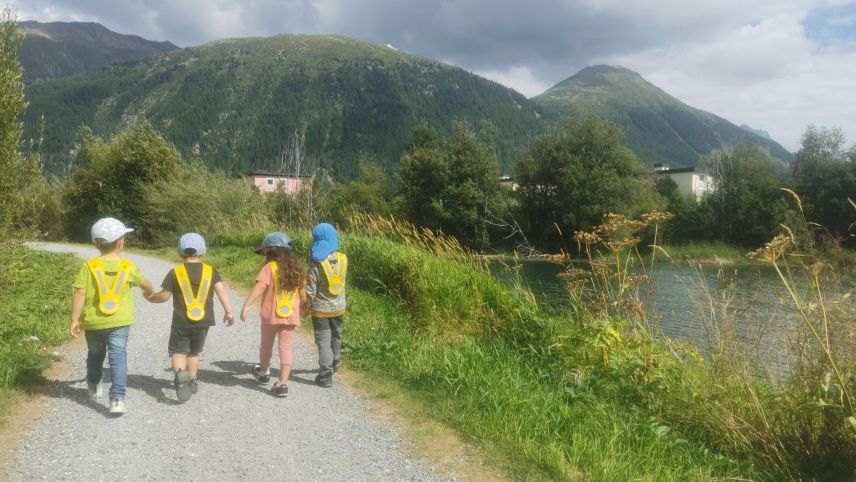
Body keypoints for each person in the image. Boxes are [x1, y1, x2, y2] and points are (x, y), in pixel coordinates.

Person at [70, 217, 154, 415]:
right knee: (118, 358)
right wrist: (150, 293)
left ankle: (93, 383)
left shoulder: (88, 267)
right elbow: (145, 283)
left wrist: (75, 319)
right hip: (120, 323)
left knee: (95, 355)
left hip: (93, 323)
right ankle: (117, 398)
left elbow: (80, 292)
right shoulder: (128, 266)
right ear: (120, 242)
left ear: (95, 243)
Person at [146, 233, 234, 402]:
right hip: (204, 322)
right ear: (204, 253)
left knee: (178, 352)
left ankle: (181, 376)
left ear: (179, 253)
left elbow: (164, 296)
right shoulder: (211, 271)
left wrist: (151, 297)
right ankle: (192, 380)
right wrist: (229, 311)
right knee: (194, 352)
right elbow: (221, 291)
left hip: (181, 322)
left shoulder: (175, 272)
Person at [240, 232, 307, 397]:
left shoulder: (269, 268)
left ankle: (263, 373)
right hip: (290, 316)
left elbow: (260, 287)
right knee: (286, 348)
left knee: (266, 345)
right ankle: (283, 384)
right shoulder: (297, 269)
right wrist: (305, 309)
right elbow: (303, 293)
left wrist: (247, 305)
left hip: (270, 316)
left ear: (271, 251)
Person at [306, 223, 348, 388]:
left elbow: (310, 290)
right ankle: (335, 361)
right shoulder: (344, 258)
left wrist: (306, 306)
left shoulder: (316, 263)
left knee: (323, 341)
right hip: (339, 308)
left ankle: (325, 374)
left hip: (320, 311)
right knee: (336, 335)